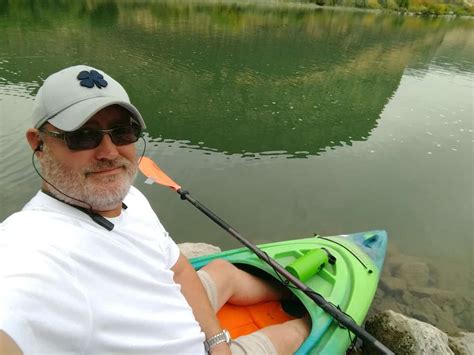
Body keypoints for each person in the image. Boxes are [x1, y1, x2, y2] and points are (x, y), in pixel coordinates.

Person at [0, 65, 310, 355]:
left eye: (122, 132)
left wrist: (217, 341)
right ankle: (310, 314)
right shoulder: (31, 247)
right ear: (37, 143)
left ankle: (298, 294)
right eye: (83, 136)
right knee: (300, 330)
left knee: (223, 272)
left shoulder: (131, 198)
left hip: (173, 304)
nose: (108, 152)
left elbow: (177, 269)